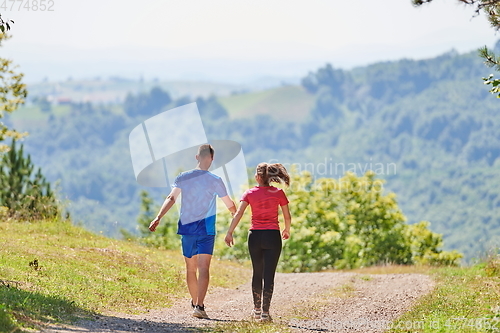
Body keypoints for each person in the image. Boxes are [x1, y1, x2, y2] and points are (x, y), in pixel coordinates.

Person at [149, 144, 237, 319]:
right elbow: (229, 204)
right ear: (211, 159)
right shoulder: (215, 180)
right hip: (206, 230)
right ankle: (199, 305)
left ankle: (195, 301)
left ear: (197, 157)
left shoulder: (183, 177)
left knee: (191, 269)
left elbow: (171, 198)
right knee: (204, 268)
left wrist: (158, 217)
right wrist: (236, 215)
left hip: (187, 229)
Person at [224, 162, 291, 322]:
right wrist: (286, 229)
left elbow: (238, 214)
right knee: (269, 276)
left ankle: (256, 310)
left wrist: (230, 232)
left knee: (257, 273)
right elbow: (287, 216)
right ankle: (265, 313)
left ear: (258, 177)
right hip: (273, 236)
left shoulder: (249, 193)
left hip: (254, 236)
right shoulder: (279, 193)